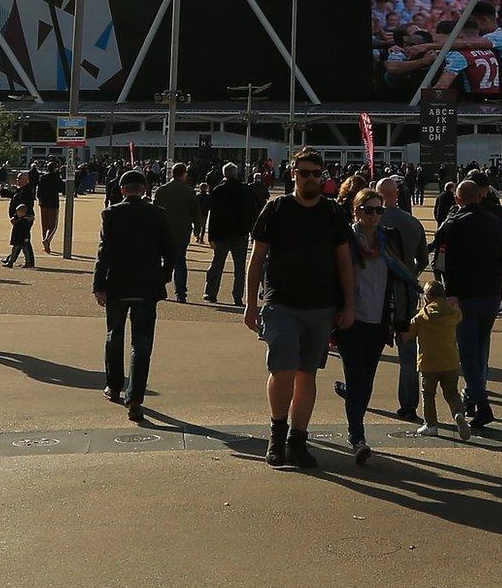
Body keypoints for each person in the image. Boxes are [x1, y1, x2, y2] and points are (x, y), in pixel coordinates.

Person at [245, 149, 356, 468]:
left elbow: (344, 261)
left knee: (307, 373)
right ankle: (276, 436)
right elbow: (256, 260)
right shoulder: (276, 208)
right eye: (304, 172)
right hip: (281, 303)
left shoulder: (332, 213)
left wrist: (348, 304)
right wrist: (251, 303)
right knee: (281, 370)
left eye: (316, 173)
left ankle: (297, 440)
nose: (310, 178)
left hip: (321, 306)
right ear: (292, 174)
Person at [332, 188, 420, 464]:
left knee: (365, 381)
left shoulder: (389, 239)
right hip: (350, 318)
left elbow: (403, 280)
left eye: (378, 210)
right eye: (368, 210)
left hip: (378, 320)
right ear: (356, 211)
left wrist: (401, 321)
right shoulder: (345, 238)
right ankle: (357, 437)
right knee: (358, 377)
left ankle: (351, 397)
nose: (374, 215)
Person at [92, 170, 177, 419]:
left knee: (114, 336)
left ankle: (114, 384)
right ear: (145, 190)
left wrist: (99, 284)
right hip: (147, 286)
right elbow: (170, 251)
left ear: (122, 190)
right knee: (141, 343)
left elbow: (104, 252)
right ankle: (135, 397)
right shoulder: (158, 214)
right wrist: (163, 276)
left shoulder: (111, 213)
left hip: (118, 284)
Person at [432, 177, 502, 428]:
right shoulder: (496, 221)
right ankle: (476, 396)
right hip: (491, 291)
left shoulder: (457, 222)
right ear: (481, 196)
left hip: (466, 293)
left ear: (458, 199)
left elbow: (439, 236)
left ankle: (482, 405)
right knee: (481, 345)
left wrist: (453, 214)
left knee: (468, 353)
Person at [373, 175, 430, 422]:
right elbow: (424, 260)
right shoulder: (413, 223)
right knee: (407, 355)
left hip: (377, 293)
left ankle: (359, 393)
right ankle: (408, 405)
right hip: (405, 294)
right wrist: (410, 274)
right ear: (397, 194)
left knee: (367, 351)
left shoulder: (371, 221)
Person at [406, 280, 470, 439]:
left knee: (427, 394)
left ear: (427, 297)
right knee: (452, 393)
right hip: (450, 362)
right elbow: (459, 316)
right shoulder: (453, 313)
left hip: (428, 363)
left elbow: (408, 333)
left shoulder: (422, 315)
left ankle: (431, 424)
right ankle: (458, 415)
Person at [202, 163, 258, 306]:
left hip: (222, 233)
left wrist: (211, 235)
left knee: (217, 264)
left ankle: (211, 293)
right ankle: (238, 296)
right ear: (236, 173)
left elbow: (213, 215)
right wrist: (250, 231)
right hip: (241, 233)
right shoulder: (244, 189)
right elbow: (251, 212)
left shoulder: (218, 190)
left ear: (224, 174)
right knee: (239, 268)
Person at [151, 162, 198, 304]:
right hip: (182, 231)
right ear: (184, 174)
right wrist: (198, 230)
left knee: (161, 260)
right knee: (180, 261)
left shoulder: (161, 190)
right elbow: (196, 213)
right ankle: (181, 293)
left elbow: (154, 211)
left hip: (163, 230)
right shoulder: (189, 191)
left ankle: (159, 288)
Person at [36, 160, 64, 252]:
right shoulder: (56, 177)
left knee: (44, 224)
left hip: (43, 202)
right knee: (53, 225)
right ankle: (47, 240)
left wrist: (39, 199)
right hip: (53, 202)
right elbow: (61, 188)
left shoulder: (43, 177)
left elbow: (39, 190)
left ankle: (45, 243)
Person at [3, 203, 36, 268]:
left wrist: (26, 238)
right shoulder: (19, 219)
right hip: (18, 238)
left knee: (23, 251)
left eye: (18, 212)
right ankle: (11, 262)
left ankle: (14, 262)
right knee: (18, 250)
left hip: (21, 238)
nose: (17, 213)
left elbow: (26, 231)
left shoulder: (24, 221)